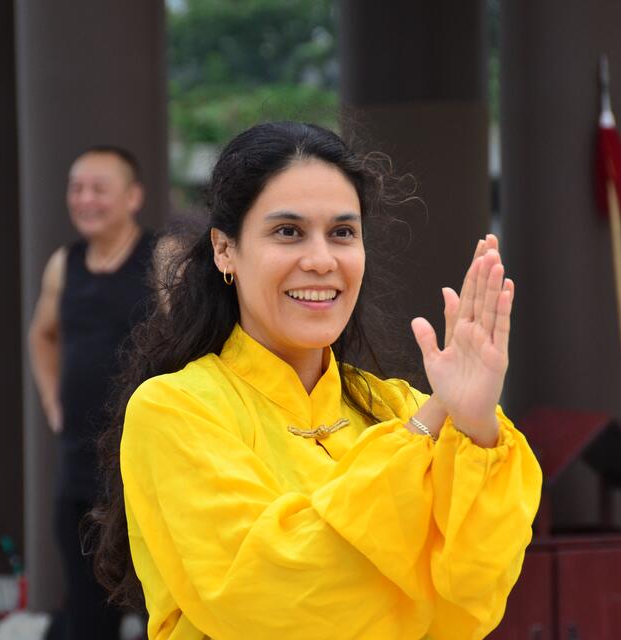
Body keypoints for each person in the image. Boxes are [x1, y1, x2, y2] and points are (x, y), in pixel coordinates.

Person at [93, 122, 542, 640]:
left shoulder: (399, 405)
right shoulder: (176, 409)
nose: (321, 261)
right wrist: (425, 433)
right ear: (224, 250)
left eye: (342, 233)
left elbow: (472, 602)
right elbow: (272, 602)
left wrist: (477, 425)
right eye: (288, 232)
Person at [28, 145, 157, 639]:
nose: (85, 199)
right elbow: (41, 333)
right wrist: (50, 398)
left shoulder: (158, 257)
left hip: (143, 466)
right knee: (86, 612)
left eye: (99, 189)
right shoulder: (65, 262)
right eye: (76, 189)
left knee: (159, 609)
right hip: (78, 466)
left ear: (133, 197)